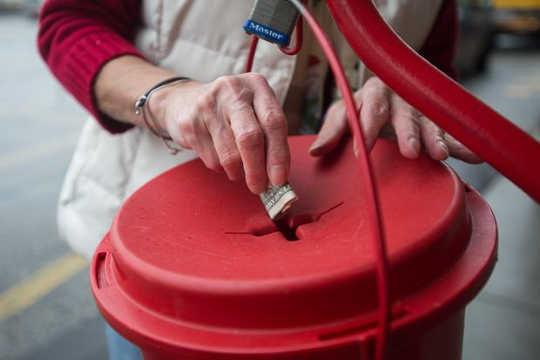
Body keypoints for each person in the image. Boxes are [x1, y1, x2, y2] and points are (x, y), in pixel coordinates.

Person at [38, 0, 480, 358]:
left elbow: (430, 66)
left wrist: (403, 91)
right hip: (169, 276)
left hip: (360, 276)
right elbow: (69, 23)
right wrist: (168, 97)